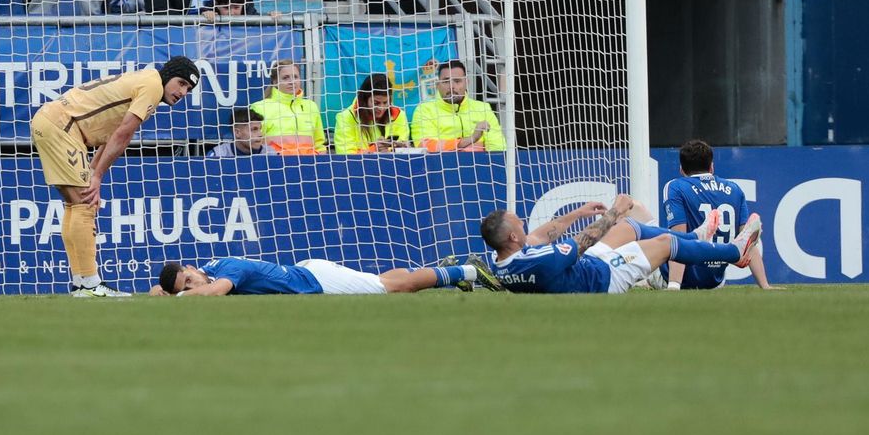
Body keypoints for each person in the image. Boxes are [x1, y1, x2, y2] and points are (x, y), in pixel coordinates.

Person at [29, 56, 200, 296]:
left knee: (75, 205)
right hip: (63, 126)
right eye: (181, 83)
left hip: (53, 122)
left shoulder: (145, 80)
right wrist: (96, 178)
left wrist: (93, 172)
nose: (183, 92)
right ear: (168, 74)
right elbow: (123, 135)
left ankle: (80, 283)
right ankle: (90, 284)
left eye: (188, 89)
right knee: (85, 205)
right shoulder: (152, 87)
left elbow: (110, 137)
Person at [482, 193, 762, 296]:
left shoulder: (503, 262)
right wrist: (613, 211)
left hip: (584, 267)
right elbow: (582, 242)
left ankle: (695, 238)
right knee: (664, 243)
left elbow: (543, 236)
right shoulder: (541, 262)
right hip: (602, 278)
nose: (522, 220)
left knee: (629, 227)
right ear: (512, 237)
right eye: (517, 221)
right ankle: (735, 252)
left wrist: (578, 213)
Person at [661, 139, 773, 291]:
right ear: (711, 166)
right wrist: (765, 285)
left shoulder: (675, 186)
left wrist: (674, 286)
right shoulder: (734, 189)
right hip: (714, 281)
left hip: (677, 278)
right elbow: (748, 239)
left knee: (636, 212)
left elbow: (678, 236)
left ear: (681, 169)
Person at [154, 255, 490, 297]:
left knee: (394, 288)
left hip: (316, 282)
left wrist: (179, 296)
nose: (192, 287)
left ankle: (467, 270)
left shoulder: (226, 270)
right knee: (381, 281)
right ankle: (440, 267)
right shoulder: (209, 271)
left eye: (188, 281)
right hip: (310, 272)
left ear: (192, 269)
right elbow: (157, 291)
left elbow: (213, 295)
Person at [410, 59, 505, 152]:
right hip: (438, 167)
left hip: (480, 166)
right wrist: (470, 140)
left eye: (457, 81)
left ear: (466, 83)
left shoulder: (483, 108)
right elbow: (425, 147)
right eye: (446, 81)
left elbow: (498, 148)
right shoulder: (424, 110)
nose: (451, 86)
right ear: (437, 85)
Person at [250, 58, 325, 154]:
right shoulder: (259, 108)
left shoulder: (311, 106)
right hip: (274, 165)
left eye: (295, 77)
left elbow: (319, 144)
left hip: (309, 166)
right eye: (285, 77)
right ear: (275, 81)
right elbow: (253, 144)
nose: (292, 81)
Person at [333, 72, 410, 154]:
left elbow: (403, 153)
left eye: (385, 102)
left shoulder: (399, 115)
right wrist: (374, 149)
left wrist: (400, 148)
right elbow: (345, 157)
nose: (381, 108)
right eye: (376, 103)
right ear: (365, 100)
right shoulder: (345, 118)